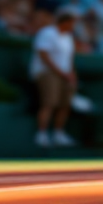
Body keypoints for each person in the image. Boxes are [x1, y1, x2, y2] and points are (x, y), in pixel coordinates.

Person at [31, 11, 78, 147]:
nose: (74, 26)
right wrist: (61, 72)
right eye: (72, 23)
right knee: (49, 103)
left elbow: (69, 60)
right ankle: (42, 134)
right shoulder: (47, 33)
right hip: (47, 73)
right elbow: (43, 55)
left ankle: (58, 134)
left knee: (65, 105)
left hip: (64, 75)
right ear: (66, 22)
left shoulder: (68, 38)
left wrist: (72, 74)